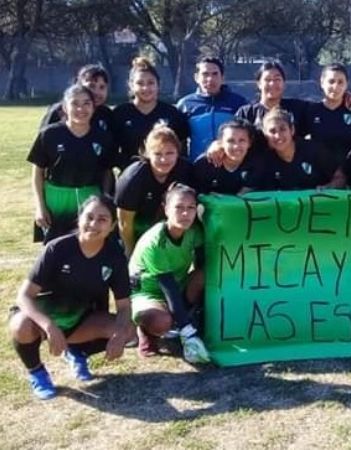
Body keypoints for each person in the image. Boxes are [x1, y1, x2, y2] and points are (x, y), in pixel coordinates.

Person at [8, 195, 132, 400]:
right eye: (89, 217)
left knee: (128, 331)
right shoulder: (57, 248)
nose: (93, 224)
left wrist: (119, 335)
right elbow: (24, 297)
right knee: (20, 326)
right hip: (42, 317)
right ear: (79, 218)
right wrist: (49, 326)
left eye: (102, 219)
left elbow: (124, 307)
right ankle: (37, 373)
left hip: (80, 318)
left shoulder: (115, 256)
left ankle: (77, 351)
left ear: (112, 226)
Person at [128, 183, 208, 363]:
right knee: (162, 322)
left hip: (177, 284)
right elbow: (168, 288)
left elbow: (202, 265)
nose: (185, 213)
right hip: (148, 293)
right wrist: (189, 333)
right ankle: (145, 330)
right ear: (166, 209)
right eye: (179, 208)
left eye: (191, 208)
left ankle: (185, 319)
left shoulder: (194, 232)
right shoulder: (155, 241)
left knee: (206, 275)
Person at [29, 85, 115, 243]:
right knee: (56, 248)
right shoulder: (49, 134)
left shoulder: (103, 137)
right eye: (75, 103)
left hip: (90, 198)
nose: (81, 109)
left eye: (86, 103)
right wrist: (40, 207)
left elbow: (107, 173)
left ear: (93, 107)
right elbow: (37, 172)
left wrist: (104, 200)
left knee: (90, 244)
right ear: (64, 107)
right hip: (56, 200)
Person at [115, 124, 193, 256]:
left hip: (170, 226)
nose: (164, 159)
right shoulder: (132, 178)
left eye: (170, 153)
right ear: (147, 153)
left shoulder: (186, 171)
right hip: (139, 227)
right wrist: (132, 253)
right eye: (157, 154)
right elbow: (124, 223)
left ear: (178, 152)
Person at [112, 57, 189, 170]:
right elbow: (112, 150)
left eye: (151, 83)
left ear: (159, 84)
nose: (146, 88)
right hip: (133, 177)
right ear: (131, 85)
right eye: (140, 83)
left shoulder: (172, 113)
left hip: (167, 176)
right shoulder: (120, 113)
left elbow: (182, 148)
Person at [177, 56, 247, 160]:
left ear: (222, 77)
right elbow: (178, 141)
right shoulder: (185, 104)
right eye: (205, 74)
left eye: (215, 74)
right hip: (197, 167)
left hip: (231, 167)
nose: (210, 79)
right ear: (196, 78)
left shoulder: (238, 103)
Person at [304, 63, 351, 170]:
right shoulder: (311, 110)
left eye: (340, 82)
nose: (335, 86)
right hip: (320, 172)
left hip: (350, 170)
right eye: (331, 81)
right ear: (322, 82)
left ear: (346, 84)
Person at [257, 109, 341, 190]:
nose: (278, 136)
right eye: (272, 131)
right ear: (265, 135)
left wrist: (329, 187)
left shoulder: (313, 150)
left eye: (282, 129)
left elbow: (340, 177)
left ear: (292, 130)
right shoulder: (265, 160)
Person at [235, 59, 310, 143]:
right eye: (267, 80)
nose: (272, 84)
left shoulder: (299, 108)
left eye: (277, 79)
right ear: (259, 84)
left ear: (284, 83)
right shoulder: (246, 113)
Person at [192, 119, 263, 195]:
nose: (236, 146)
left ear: (249, 143)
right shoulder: (205, 164)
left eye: (242, 140)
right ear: (221, 142)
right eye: (231, 141)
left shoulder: (257, 164)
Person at [40, 64, 113, 133]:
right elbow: (44, 140)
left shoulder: (106, 114)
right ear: (78, 85)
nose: (97, 92)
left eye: (102, 87)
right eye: (92, 86)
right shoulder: (58, 112)